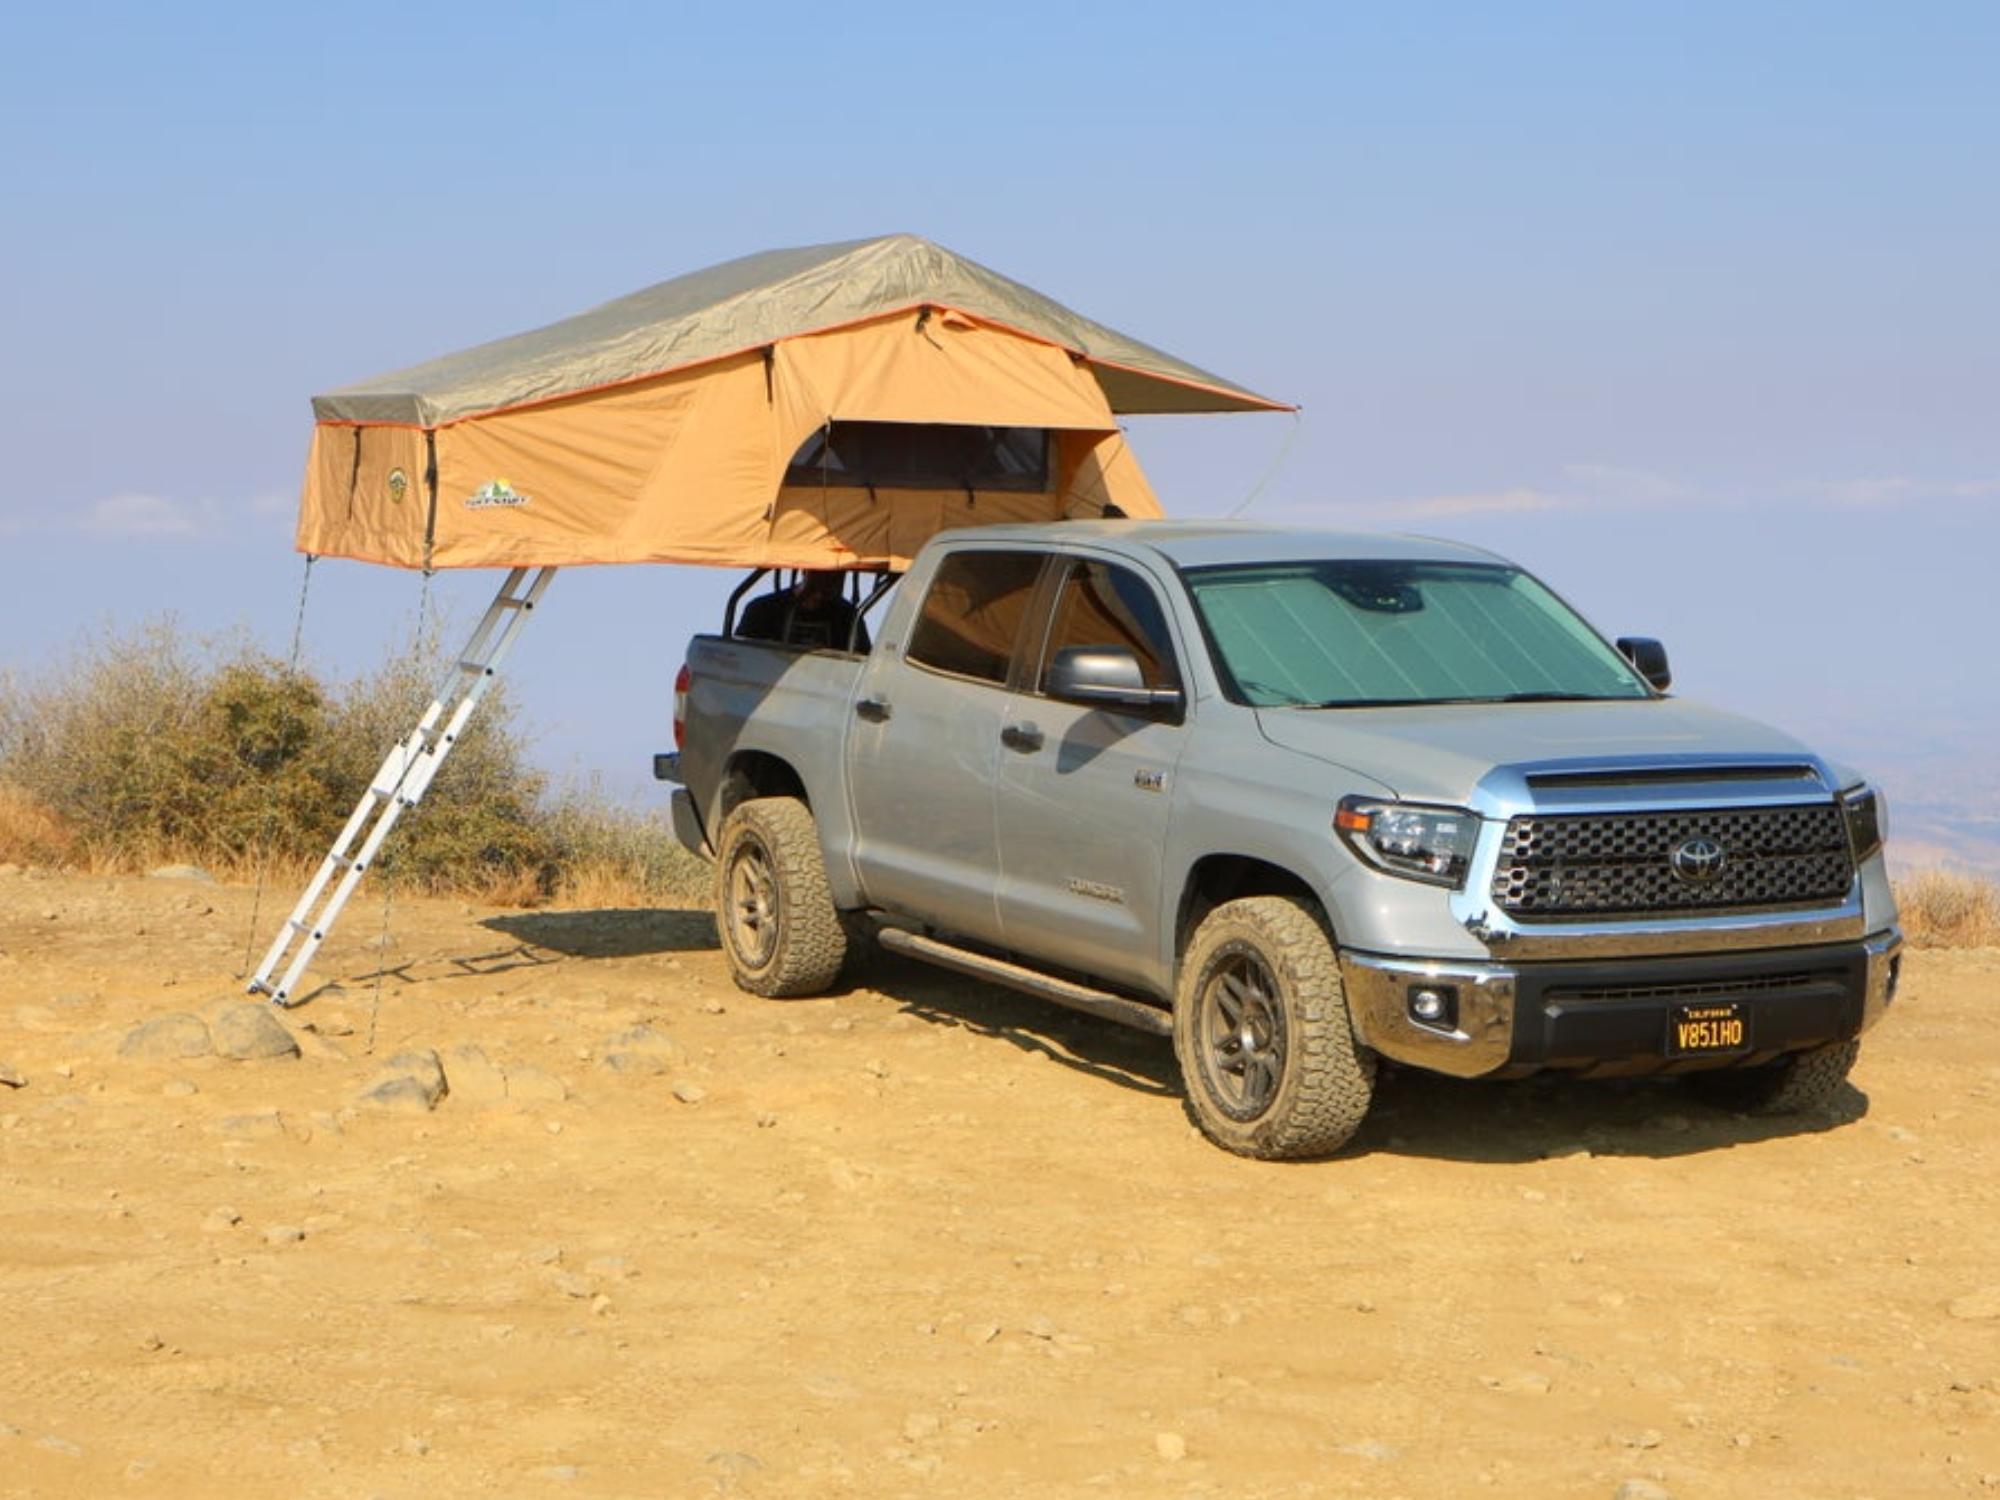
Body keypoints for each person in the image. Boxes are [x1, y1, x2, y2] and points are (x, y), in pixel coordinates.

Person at [736, 570, 870, 651]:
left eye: (834, 575)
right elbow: (738, 656)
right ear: (804, 569)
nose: (826, 580)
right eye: (820, 573)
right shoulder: (762, 610)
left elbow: (865, 662)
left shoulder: (848, 617)